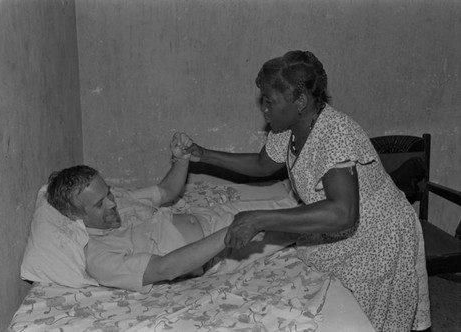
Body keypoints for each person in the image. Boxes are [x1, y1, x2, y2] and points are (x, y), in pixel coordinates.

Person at [185, 50, 430, 332]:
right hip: (341, 234)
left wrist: (260, 219)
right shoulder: (287, 128)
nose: (264, 109)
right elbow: (262, 164)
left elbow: (343, 212)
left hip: (378, 237)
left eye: (270, 102)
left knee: (365, 322)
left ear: (300, 101)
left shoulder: (335, 133)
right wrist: (203, 155)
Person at [46, 133, 294, 293]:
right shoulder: (99, 257)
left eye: (108, 193)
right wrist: (230, 233)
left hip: (215, 216)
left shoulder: (119, 200)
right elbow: (165, 268)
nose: (112, 203)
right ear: (76, 216)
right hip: (224, 249)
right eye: (100, 204)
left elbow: (166, 191)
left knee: (296, 203)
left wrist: (182, 159)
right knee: (307, 224)